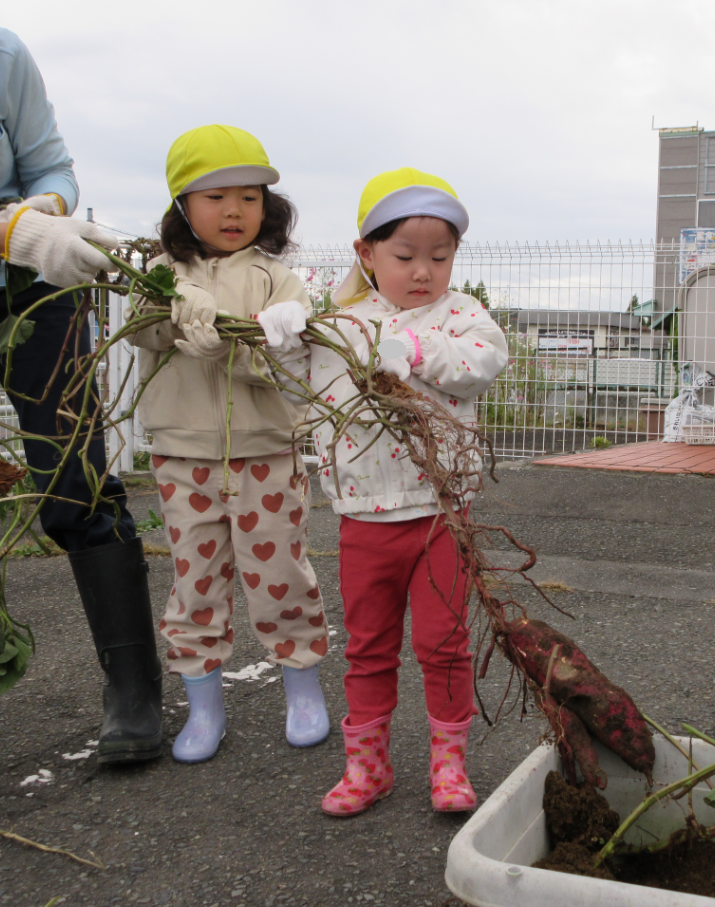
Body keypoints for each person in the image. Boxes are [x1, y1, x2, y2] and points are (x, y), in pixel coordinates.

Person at [257, 168, 509, 814]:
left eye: (439, 256)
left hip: (440, 517)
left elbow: (482, 362)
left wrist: (414, 348)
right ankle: (367, 766)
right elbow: (305, 396)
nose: (422, 271)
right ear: (366, 254)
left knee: (442, 642)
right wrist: (284, 344)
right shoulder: (341, 325)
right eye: (403, 256)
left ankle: (447, 765)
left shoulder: (460, 315)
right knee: (368, 646)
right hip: (363, 517)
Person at [128, 124, 329, 763]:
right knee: (195, 579)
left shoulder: (279, 280)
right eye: (215, 196)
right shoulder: (160, 274)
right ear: (183, 206)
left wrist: (273, 340)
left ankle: (302, 689)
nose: (235, 210)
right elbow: (144, 331)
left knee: (279, 574)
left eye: (249, 195)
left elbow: (294, 358)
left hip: (267, 450)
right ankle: (203, 709)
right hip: (184, 456)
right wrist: (173, 304)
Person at [0, 28, 161, 763]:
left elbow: (50, 163)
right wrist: (16, 230)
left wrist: (50, 210)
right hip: (23, 249)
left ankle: (133, 691)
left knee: (78, 481)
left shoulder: (4, 52)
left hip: (38, 295)